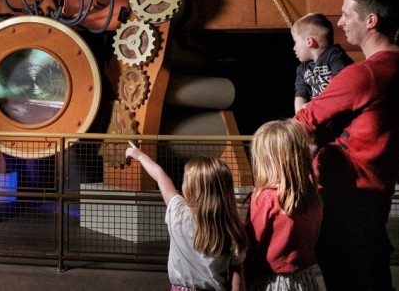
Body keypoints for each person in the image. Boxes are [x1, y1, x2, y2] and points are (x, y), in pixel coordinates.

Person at [294, 0, 399, 291]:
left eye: (346, 14)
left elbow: (302, 121)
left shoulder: (364, 74)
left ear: (371, 20)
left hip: (344, 202)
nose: (339, 22)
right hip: (375, 196)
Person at [125, 141, 247, 291]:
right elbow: (237, 282)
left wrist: (139, 155)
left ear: (190, 189)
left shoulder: (177, 212)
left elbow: (160, 176)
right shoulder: (232, 229)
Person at [245, 119, 323, 291]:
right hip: (305, 277)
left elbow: (251, 244)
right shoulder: (311, 195)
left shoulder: (265, 198)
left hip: (270, 279)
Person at [291, 12, 353, 112]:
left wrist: (311, 105)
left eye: (296, 42)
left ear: (309, 41)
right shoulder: (302, 69)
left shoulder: (335, 56)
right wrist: (299, 112)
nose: (294, 48)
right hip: (316, 113)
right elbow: (300, 94)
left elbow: (342, 87)